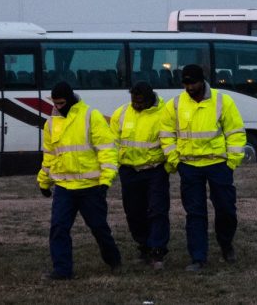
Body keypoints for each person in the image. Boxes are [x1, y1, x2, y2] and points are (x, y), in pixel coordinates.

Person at [159, 64, 246, 271]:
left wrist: (231, 162)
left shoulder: (223, 101)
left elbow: (235, 132)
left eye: (193, 83)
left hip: (218, 165)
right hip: (189, 166)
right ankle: (198, 258)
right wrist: (175, 161)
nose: (189, 87)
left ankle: (226, 244)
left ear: (202, 80)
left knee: (226, 209)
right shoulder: (175, 105)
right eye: (186, 83)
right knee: (195, 214)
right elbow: (166, 134)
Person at [37, 81, 122, 280]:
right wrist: (43, 181)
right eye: (55, 103)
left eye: (61, 103)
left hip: (91, 187)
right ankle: (62, 270)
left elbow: (107, 150)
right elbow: (49, 155)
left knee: (99, 227)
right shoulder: (50, 123)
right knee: (58, 228)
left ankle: (113, 260)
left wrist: (106, 180)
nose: (58, 107)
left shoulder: (91, 116)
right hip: (64, 187)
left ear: (71, 99)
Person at [110, 81, 169, 270]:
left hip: (155, 170)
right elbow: (113, 142)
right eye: (134, 101)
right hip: (129, 171)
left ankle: (157, 249)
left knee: (157, 210)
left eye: (140, 102)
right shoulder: (121, 113)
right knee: (134, 212)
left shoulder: (164, 114)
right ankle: (144, 245)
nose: (136, 105)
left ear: (150, 98)